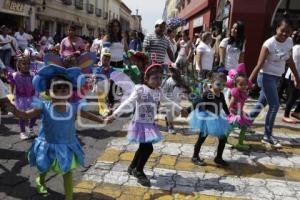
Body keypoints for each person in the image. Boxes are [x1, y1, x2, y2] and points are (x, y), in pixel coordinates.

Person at [11, 65, 104, 199]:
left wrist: (103, 120)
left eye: (65, 87)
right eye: (57, 88)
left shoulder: (73, 107)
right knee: (45, 167)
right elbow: (25, 115)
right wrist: (13, 109)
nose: (61, 90)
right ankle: (41, 180)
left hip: (66, 144)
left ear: (70, 91)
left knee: (67, 171)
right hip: (48, 143)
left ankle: (69, 197)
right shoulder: (43, 107)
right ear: (48, 92)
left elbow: (89, 115)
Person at [106, 64, 188, 187]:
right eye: (155, 78)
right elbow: (128, 102)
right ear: (146, 78)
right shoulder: (140, 89)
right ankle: (138, 171)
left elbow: (167, 101)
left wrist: (180, 108)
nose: (158, 81)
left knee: (143, 147)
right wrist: (114, 115)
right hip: (139, 124)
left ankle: (132, 166)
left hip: (149, 124)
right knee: (148, 148)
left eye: (160, 78)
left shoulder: (158, 91)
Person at [249, 18, 300, 148]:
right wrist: (248, 82)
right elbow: (259, 64)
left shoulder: (289, 41)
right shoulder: (269, 44)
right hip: (265, 77)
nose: (284, 34)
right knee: (275, 105)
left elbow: (289, 60)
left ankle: (246, 123)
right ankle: (267, 136)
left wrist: (296, 76)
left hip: (277, 78)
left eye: (288, 32)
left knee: (261, 103)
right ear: (276, 28)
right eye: (282, 30)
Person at [189, 73, 230, 167]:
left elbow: (224, 105)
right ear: (212, 82)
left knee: (223, 139)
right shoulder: (208, 94)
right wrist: (188, 110)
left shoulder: (221, 95)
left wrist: (229, 114)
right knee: (201, 138)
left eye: (224, 85)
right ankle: (195, 157)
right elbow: (198, 103)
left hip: (217, 119)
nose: (221, 87)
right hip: (207, 119)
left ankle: (218, 158)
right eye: (219, 84)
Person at [9, 56, 36, 140]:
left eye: (28, 64)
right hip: (21, 98)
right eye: (24, 64)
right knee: (22, 115)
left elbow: (36, 85)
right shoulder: (14, 75)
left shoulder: (33, 74)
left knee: (34, 114)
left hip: (32, 97)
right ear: (19, 65)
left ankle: (31, 128)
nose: (27, 66)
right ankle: (22, 132)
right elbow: (11, 86)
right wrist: (11, 96)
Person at [227, 64, 252, 150]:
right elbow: (231, 103)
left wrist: (241, 111)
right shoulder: (235, 92)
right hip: (234, 112)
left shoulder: (243, 92)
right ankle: (224, 141)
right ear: (236, 85)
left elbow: (240, 104)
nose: (244, 86)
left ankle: (240, 143)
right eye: (241, 85)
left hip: (239, 112)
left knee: (244, 127)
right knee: (230, 128)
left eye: (245, 85)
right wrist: (228, 112)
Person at [162, 65, 189, 134]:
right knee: (171, 111)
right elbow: (164, 93)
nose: (173, 73)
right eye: (172, 71)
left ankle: (184, 126)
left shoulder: (183, 79)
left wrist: (187, 91)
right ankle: (170, 126)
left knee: (185, 110)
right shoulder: (168, 81)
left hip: (182, 99)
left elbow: (188, 89)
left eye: (175, 71)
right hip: (171, 101)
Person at [282, 29, 300, 123]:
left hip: (295, 75)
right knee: (293, 96)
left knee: (294, 95)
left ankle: (296, 112)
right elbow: (295, 63)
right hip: (294, 75)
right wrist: (295, 77)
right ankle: (286, 115)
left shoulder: (296, 47)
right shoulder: (297, 48)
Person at [94, 48, 116, 116]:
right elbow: (96, 75)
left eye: (108, 60)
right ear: (101, 59)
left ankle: (104, 109)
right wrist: (103, 71)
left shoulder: (111, 68)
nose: (106, 61)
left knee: (104, 98)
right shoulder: (99, 67)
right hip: (99, 84)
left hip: (107, 85)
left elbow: (114, 74)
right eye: (104, 59)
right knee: (101, 99)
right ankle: (103, 111)